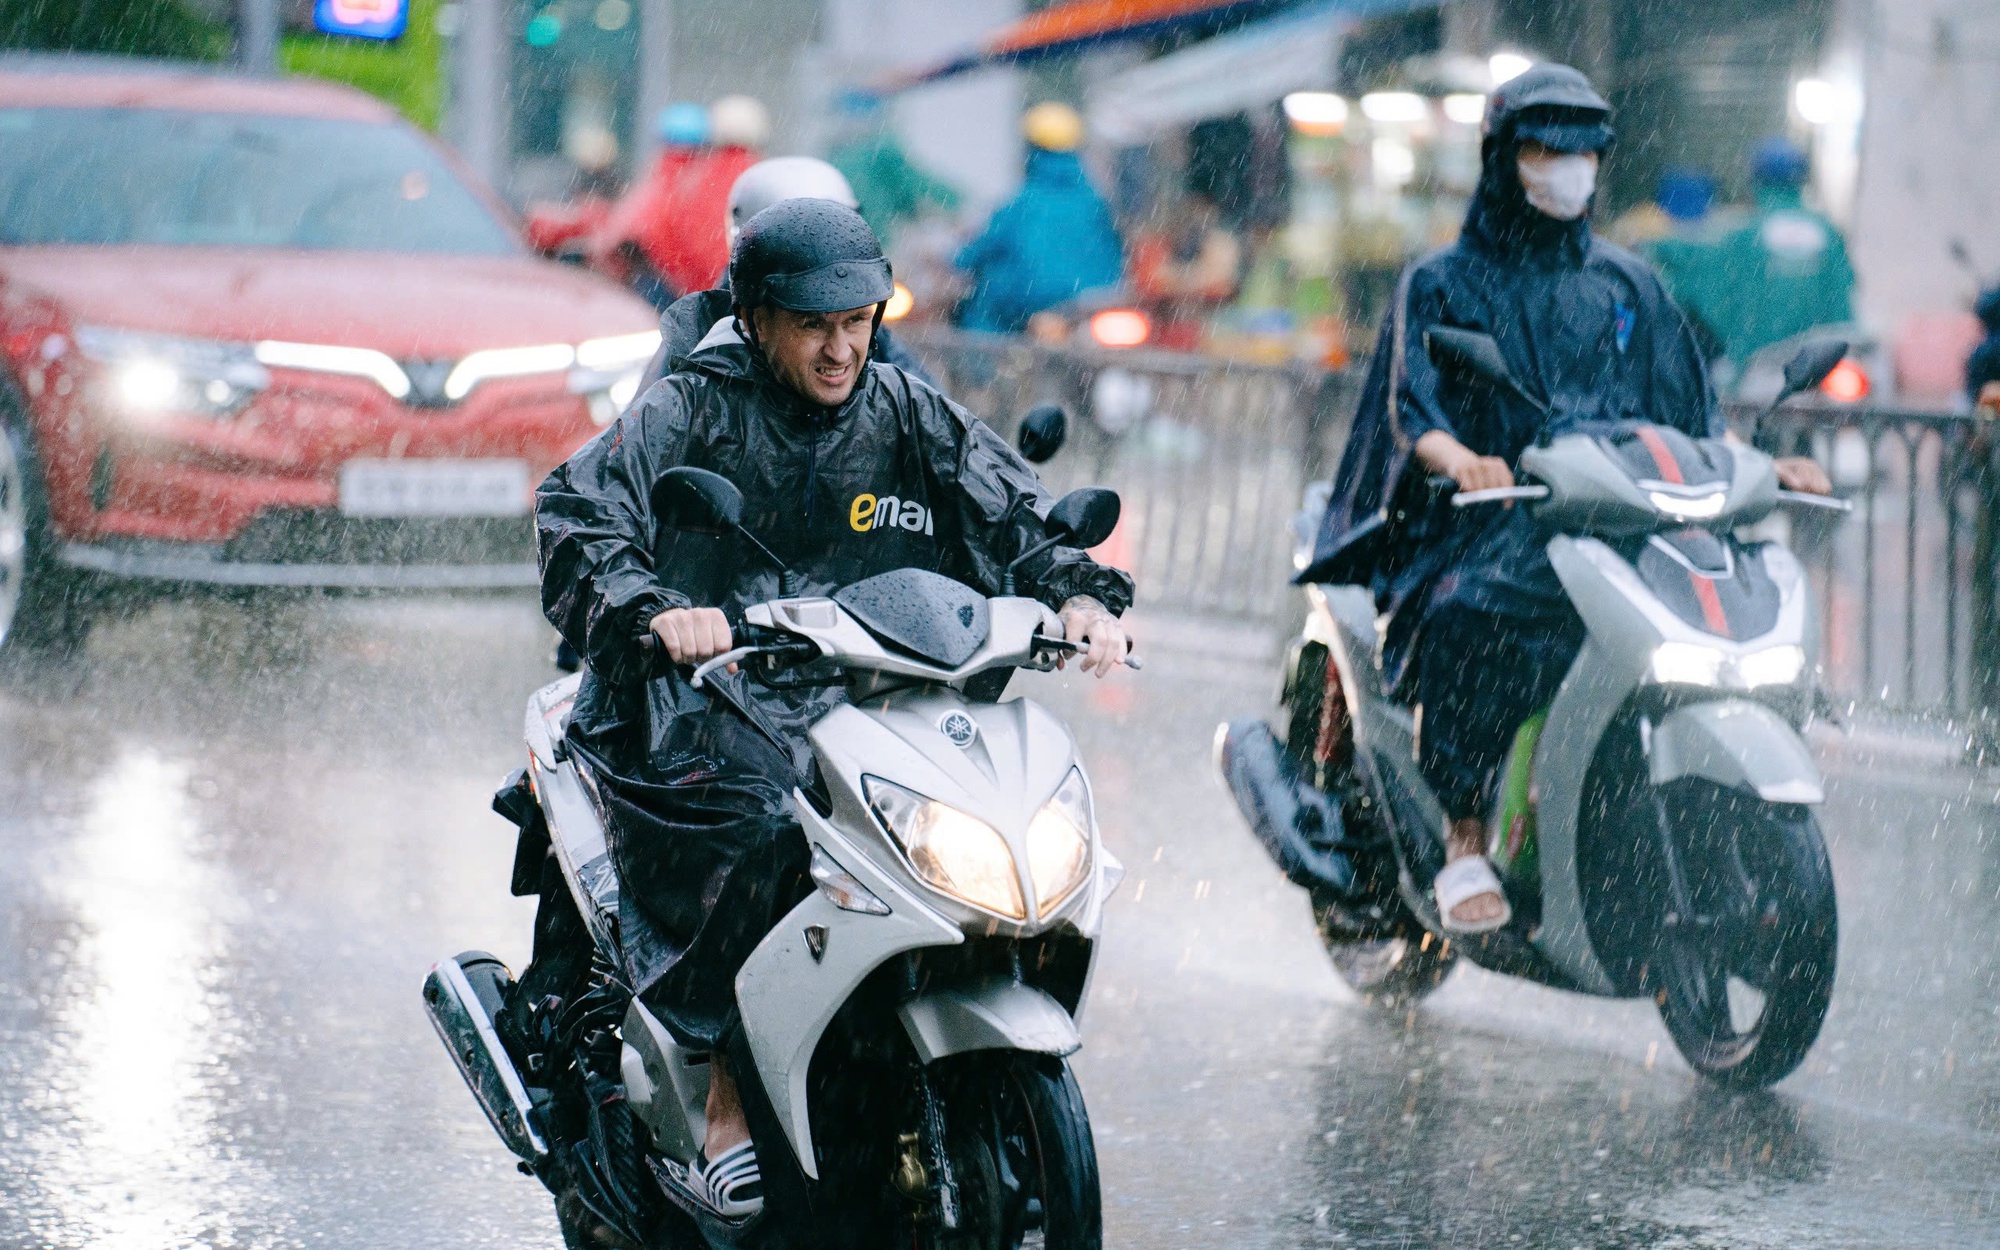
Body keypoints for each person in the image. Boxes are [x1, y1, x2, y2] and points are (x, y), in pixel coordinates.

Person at [533, 198, 1133, 1216]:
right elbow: (578, 510)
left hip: (864, 689)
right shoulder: (693, 407)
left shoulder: (901, 407)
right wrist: (657, 608)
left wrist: (1074, 592)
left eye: (857, 319)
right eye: (813, 323)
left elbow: (1008, 510)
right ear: (757, 317)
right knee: (769, 818)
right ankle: (717, 1081)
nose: (840, 345)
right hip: (699, 702)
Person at [1297, 64, 1830, 934]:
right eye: (1546, 149)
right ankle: (1465, 839)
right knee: (1472, 617)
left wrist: (1768, 467)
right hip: (1488, 518)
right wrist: (1465, 459)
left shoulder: (1630, 283)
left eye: (1583, 151)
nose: (1566, 167)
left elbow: (1690, 410)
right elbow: (1413, 410)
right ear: (1504, 157)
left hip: (1620, 517)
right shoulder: (1441, 282)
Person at [631, 155, 939, 390]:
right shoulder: (702, 340)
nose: (839, 351)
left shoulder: (874, 340)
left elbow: (943, 429)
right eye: (810, 323)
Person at [1671, 137, 1856, 373]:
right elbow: (1845, 297)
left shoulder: (1743, 236)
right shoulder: (1827, 233)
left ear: (1755, 179)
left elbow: (1704, 291)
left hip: (1755, 371)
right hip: (1824, 369)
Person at [955, 102, 1124, 334]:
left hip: (1020, 314)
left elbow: (980, 249)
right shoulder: (1094, 201)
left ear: (1030, 149)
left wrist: (955, 258)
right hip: (1091, 308)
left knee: (978, 321)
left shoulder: (1022, 203)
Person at [827, 89, 963, 245]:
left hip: (844, 242)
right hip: (874, 238)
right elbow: (916, 187)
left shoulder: (836, 156)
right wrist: (957, 206)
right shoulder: (879, 147)